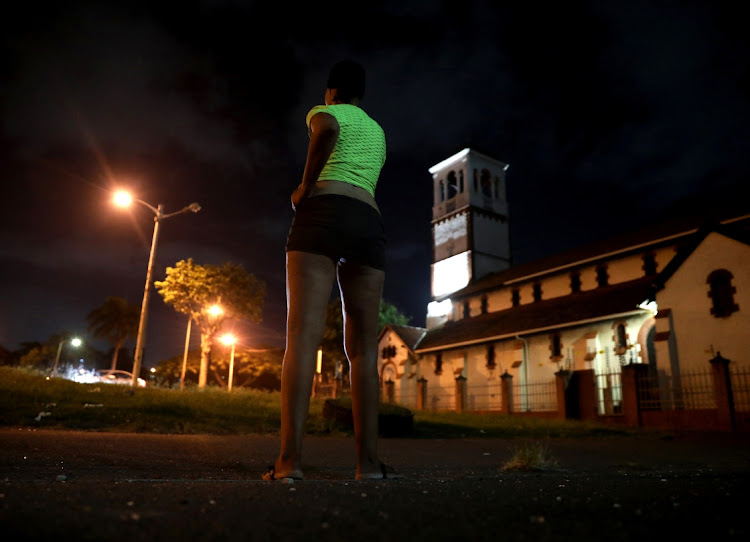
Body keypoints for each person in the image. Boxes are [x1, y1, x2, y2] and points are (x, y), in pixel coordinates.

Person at [262, 59, 402, 481]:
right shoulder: (377, 132)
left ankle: (289, 462)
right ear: (361, 95)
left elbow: (324, 132)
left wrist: (305, 186)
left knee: (301, 339)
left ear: (331, 91)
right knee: (363, 352)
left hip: (323, 212)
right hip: (367, 221)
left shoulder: (325, 112)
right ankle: (369, 464)